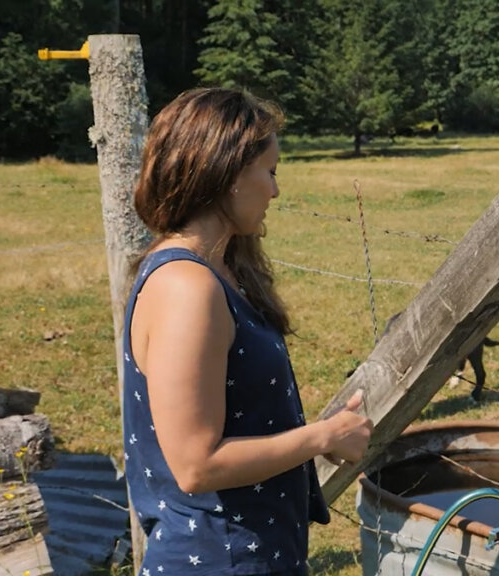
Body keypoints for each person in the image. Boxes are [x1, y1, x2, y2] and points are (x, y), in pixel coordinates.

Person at [121, 87, 373, 576]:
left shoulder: (213, 269)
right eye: (271, 172)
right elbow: (197, 465)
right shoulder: (187, 287)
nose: (276, 191)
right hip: (221, 561)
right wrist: (325, 435)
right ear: (232, 175)